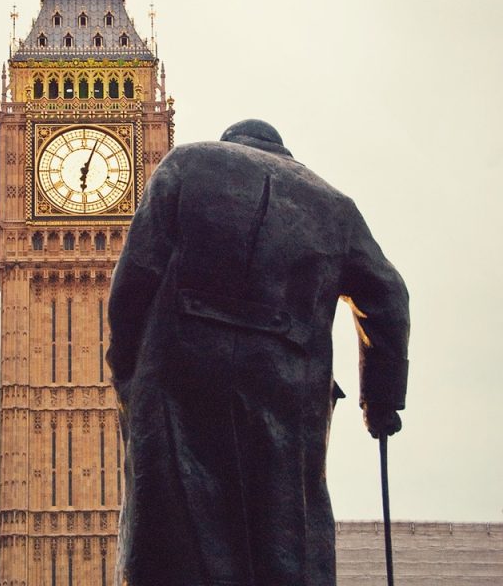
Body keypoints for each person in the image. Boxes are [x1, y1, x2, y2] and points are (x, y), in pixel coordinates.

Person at [107, 119, 409, 586]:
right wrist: (381, 401)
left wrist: (127, 369)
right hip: (286, 385)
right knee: (283, 537)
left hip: (179, 377)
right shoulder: (336, 207)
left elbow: (135, 277)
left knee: (175, 533)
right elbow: (388, 296)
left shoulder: (185, 163)